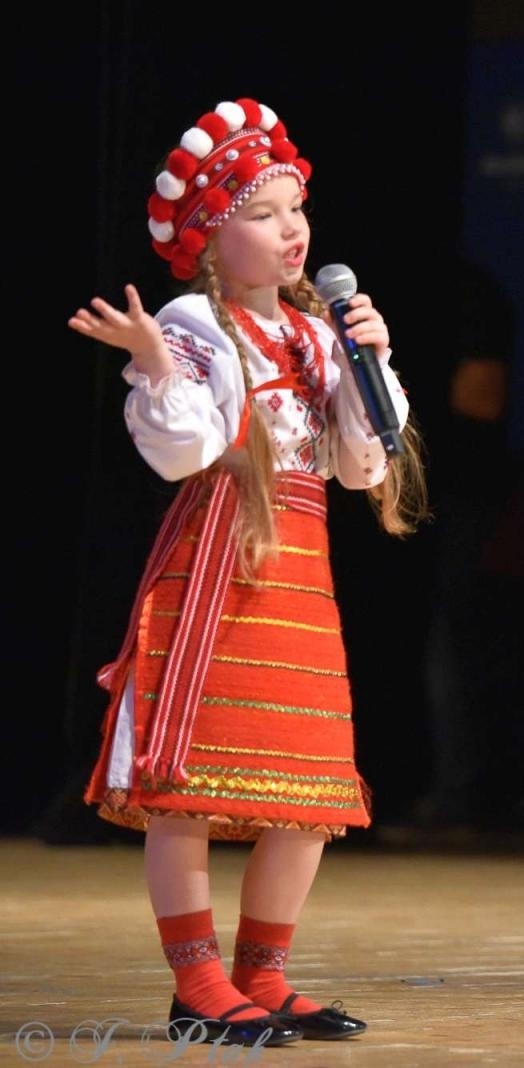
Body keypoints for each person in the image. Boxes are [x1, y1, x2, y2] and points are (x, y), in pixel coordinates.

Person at [66, 97, 426, 1047]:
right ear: (210, 241)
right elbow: (184, 452)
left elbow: (363, 465)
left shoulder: (316, 334)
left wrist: (370, 362)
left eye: (296, 209)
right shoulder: (195, 319)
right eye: (262, 214)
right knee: (188, 789)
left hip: (300, 575)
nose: (291, 228)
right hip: (221, 563)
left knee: (307, 790)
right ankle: (198, 983)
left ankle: (262, 974)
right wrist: (155, 366)